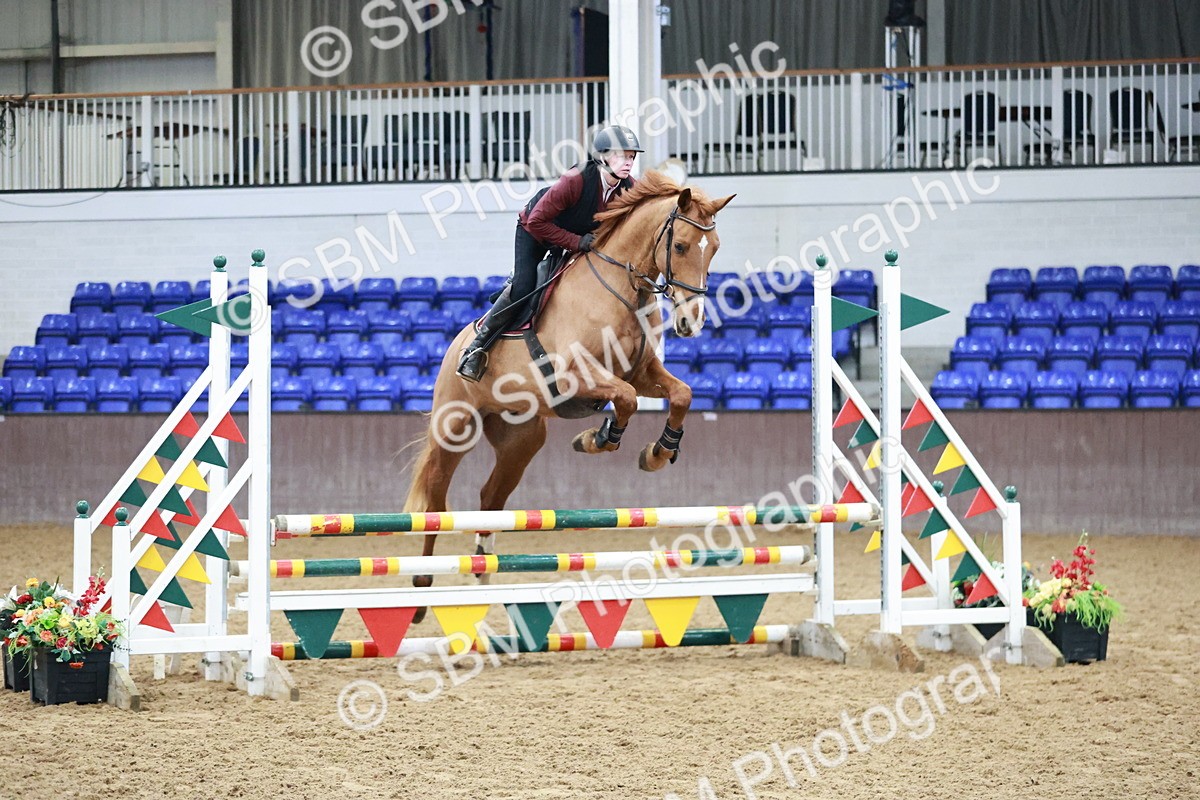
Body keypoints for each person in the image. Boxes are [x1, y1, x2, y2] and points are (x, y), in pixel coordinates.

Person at [455, 125, 643, 382]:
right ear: (603, 156)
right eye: (623, 156)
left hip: (573, 240)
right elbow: (536, 222)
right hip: (535, 231)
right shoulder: (575, 179)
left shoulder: (630, 188)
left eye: (632, 157)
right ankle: (476, 348)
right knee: (523, 287)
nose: (629, 163)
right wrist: (576, 242)